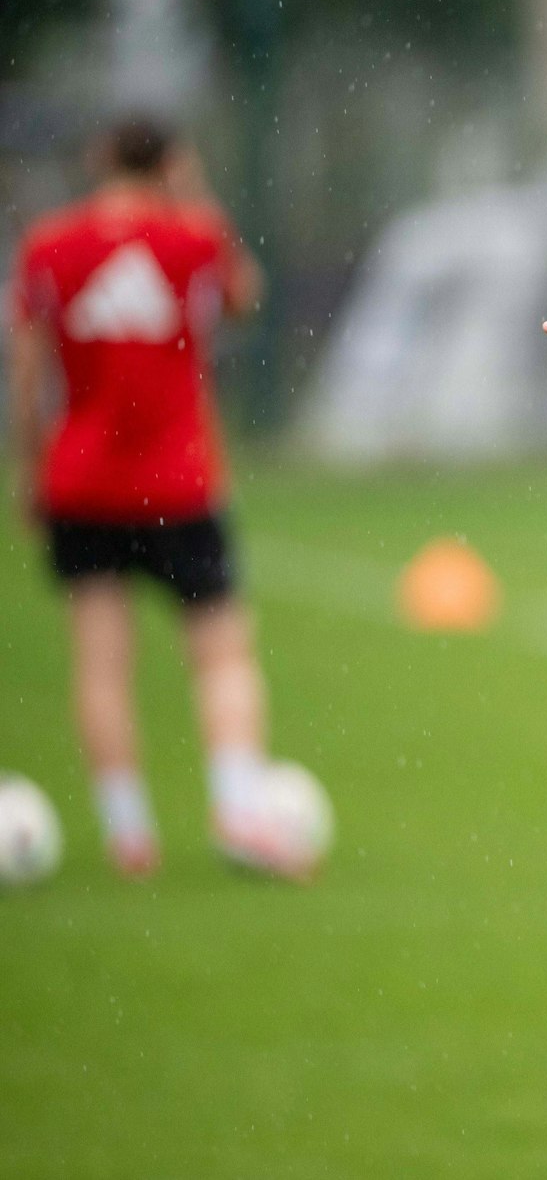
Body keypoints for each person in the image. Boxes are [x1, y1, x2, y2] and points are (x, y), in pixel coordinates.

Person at [5, 116, 306, 880]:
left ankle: (129, 835)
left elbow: (30, 372)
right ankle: (239, 809)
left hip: (80, 478)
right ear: (172, 162)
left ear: (100, 159)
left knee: (102, 662)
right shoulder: (194, 237)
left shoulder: (49, 244)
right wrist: (194, 195)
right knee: (222, 651)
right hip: (178, 480)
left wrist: (30, 469)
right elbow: (246, 298)